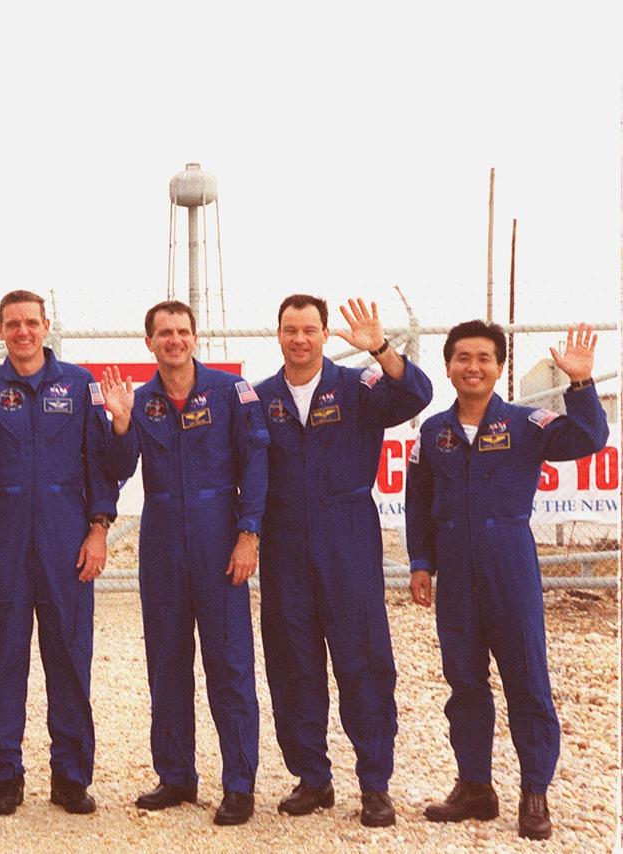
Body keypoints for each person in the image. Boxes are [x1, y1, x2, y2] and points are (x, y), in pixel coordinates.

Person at [407, 322, 606, 841]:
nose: (474, 367)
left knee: (526, 681)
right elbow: (418, 503)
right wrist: (420, 563)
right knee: (465, 682)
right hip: (455, 573)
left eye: (485, 359)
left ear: (499, 367)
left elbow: (589, 437)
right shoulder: (433, 432)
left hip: (509, 567)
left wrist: (580, 386)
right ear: (448, 365)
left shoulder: (526, 423)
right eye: (463, 358)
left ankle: (534, 792)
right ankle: (475, 788)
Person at [0, 290, 119, 817]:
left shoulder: (79, 386)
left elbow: (101, 463)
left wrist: (99, 528)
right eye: (13, 324)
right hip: (6, 541)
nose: (23, 332)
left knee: (70, 660)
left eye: (31, 323)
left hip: (67, 537)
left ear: (46, 325)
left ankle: (71, 777)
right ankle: (5, 777)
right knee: (3, 661)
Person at [254, 295, 431, 827]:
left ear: (326, 333)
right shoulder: (260, 397)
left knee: (364, 662)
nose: (300, 338)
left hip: (347, 534)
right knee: (292, 662)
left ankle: (374, 784)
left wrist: (379, 347)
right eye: (291, 329)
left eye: (310, 328)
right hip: (283, 540)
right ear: (278, 334)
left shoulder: (359, 386)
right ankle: (312, 777)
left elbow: (416, 394)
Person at [99, 300, 267, 825]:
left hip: (220, 537)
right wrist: (121, 425)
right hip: (163, 538)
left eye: (182, 331)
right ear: (149, 342)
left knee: (230, 665)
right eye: (164, 333)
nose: (174, 340)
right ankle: (175, 775)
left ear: (195, 338)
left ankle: (239, 784)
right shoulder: (140, 399)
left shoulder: (230, 392)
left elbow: (255, 462)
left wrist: (249, 533)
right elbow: (118, 469)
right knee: (167, 663)